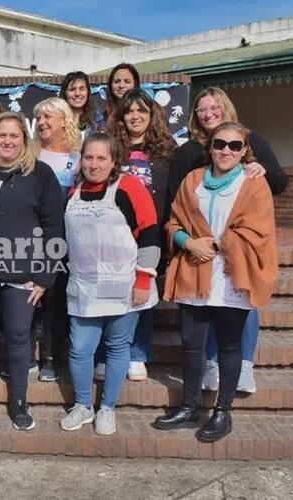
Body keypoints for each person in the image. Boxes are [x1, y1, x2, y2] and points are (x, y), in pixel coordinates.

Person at [153, 122, 277, 442]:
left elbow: (260, 230)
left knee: (229, 346)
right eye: (220, 144)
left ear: (244, 151)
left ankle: (223, 412)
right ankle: (190, 406)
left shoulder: (254, 184)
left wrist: (222, 243)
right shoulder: (193, 180)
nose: (226, 151)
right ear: (209, 147)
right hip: (195, 269)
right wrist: (187, 241)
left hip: (232, 275)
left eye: (235, 146)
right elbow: (175, 221)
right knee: (192, 346)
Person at [168, 87, 287, 394]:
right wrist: (184, 240)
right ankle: (207, 369)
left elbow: (277, 182)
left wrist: (259, 168)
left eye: (214, 107)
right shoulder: (190, 157)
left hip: (235, 258)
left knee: (240, 307)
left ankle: (243, 364)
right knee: (202, 318)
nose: (208, 113)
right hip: (198, 257)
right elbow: (177, 209)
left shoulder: (250, 145)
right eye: (201, 109)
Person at [60, 133, 159, 436]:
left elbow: (151, 233)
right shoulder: (73, 194)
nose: (94, 164)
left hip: (125, 286)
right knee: (80, 349)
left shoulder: (129, 187)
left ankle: (107, 407)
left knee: (118, 347)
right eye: (88, 157)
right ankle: (82, 406)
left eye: (101, 158)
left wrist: (144, 279)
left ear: (114, 161)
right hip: (84, 286)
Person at [0, 112, 65, 431]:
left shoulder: (41, 174)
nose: (7, 141)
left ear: (24, 140)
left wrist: (45, 275)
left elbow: (54, 226)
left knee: (19, 336)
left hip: (23, 275)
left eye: (14, 136)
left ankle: (19, 402)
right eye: (1, 136)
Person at [94, 89, 176, 382]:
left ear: (151, 115)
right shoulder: (111, 149)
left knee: (143, 295)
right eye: (129, 111)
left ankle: (137, 353)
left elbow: (170, 196)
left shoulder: (165, 152)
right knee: (110, 295)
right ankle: (106, 353)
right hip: (112, 236)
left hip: (147, 235)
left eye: (142, 110)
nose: (135, 116)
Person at [32, 97, 81, 382]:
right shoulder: (30, 154)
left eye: (48, 116)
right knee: (30, 296)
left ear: (64, 120)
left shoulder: (78, 158)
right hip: (32, 239)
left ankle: (52, 357)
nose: (41, 122)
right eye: (38, 117)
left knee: (56, 300)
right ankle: (28, 355)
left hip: (69, 241)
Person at [60, 71, 105, 139]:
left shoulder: (97, 118)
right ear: (65, 93)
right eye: (72, 89)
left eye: (82, 89)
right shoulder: (57, 119)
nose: (77, 93)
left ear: (88, 92)